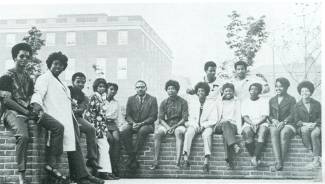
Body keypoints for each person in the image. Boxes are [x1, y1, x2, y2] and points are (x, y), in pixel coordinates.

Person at [31, 52, 104, 184]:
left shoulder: (62, 83)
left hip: (68, 118)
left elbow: (66, 100)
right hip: (56, 117)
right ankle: (80, 176)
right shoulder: (44, 78)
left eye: (61, 65)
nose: (58, 67)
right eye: (55, 64)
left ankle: (84, 176)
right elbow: (38, 93)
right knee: (69, 147)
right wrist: (36, 105)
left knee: (75, 146)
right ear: (50, 64)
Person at [0, 43, 35, 184]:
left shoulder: (29, 78)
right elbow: (7, 101)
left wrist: (33, 109)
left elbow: (32, 97)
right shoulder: (6, 76)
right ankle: (22, 176)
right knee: (23, 136)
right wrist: (25, 111)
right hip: (10, 112)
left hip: (25, 112)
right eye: (21, 56)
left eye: (27, 57)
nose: (24, 59)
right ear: (15, 57)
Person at [150, 80, 189, 170]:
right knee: (157, 134)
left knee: (179, 133)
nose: (170, 91)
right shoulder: (164, 102)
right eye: (169, 89)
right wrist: (168, 127)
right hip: (166, 125)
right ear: (166, 90)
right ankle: (155, 161)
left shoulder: (183, 102)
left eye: (173, 89)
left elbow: (184, 118)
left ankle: (178, 161)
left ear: (177, 90)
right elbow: (161, 118)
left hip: (179, 124)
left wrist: (174, 127)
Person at [120, 80, 158, 171]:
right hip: (133, 124)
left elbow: (153, 116)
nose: (140, 89)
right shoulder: (130, 99)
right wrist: (133, 123)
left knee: (142, 130)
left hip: (147, 125)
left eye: (142, 87)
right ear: (135, 89)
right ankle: (133, 157)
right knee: (125, 130)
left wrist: (142, 123)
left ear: (146, 88)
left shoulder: (152, 99)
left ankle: (131, 157)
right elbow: (128, 115)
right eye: (138, 87)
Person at [182, 82, 219, 173]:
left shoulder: (211, 104)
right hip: (195, 125)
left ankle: (206, 162)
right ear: (197, 92)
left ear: (206, 92)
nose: (200, 93)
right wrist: (195, 125)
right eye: (199, 91)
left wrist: (203, 126)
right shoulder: (193, 103)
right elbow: (190, 117)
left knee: (206, 135)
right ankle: (186, 159)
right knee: (188, 133)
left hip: (207, 126)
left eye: (203, 91)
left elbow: (214, 119)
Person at [68, 72, 101, 171]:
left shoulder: (84, 96)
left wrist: (75, 109)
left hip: (76, 118)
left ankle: (92, 159)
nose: (81, 84)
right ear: (73, 81)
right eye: (78, 82)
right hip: (65, 116)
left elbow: (81, 109)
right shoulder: (66, 90)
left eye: (83, 82)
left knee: (91, 129)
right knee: (75, 132)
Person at [84, 78, 116, 180]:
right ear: (96, 87)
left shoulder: (101, 98)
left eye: (104, 87)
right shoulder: (94, 97)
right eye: (100, 86)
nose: (102, 89)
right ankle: (104, 172)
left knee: (105, 147)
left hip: (101, 126)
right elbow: (90, 113)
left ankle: (105, 171)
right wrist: (94, 126)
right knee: (104, 147)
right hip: (96, 126)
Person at [268, 77, 296, 172]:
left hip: (288, 123)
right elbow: (270, 114)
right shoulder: (272, 100)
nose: (278, 88)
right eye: (276, 86)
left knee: (284, 133)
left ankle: (279, 163)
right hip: (275, 123)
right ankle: (279, 162)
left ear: (286, 87)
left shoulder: (291, 99)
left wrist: (284, 122)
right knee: (274, 131)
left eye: (281, 86)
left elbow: (293, 114)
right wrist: (273, 120)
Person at [214, 83, 242, 170]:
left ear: (233, 92)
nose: (228, 92)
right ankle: (234, 145)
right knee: (225, 124)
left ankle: (228, 160)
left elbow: (238, 116)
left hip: (232, 125)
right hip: (219, 125)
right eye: (226, 91)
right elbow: (215, 114)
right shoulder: (219, 101)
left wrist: (239, 130)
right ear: (223, 92)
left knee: (226, 134)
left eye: (230, 91)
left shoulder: (236, 102)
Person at [293, 81, 321, 169]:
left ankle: (316, 160)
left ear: (311, 92)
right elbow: (296, 120)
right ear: (300, 93)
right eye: (302, 91)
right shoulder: (296, 106)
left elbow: (321, 117)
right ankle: (311, 151)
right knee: (304, 130)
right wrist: (305, 124)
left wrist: (315, 123)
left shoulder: (317, 104)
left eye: (307, 91)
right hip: (303, 126)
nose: (304, 93)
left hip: (315, 125)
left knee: (315, 134)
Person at [241, 83, 269, 168]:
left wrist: (257, 124)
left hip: (261, 122)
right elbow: (245, 117)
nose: (253, 91)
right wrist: (252, 124)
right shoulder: (245, 102)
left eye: (255, 89)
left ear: (259, 91)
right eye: (251, 89)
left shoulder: (263, 101)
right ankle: (256, 158)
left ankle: (254, 157)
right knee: (247, 132)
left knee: (263, 132)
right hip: (249, 122)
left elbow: (265, 116)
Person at [103, 82, 122, 178]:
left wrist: (120, 127)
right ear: (106, 89)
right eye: (111, 89)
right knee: (109, 140)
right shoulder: (101, 100)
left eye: (115, 90)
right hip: (103, 123)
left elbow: (119, 117)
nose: (113, 91)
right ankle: (107, 169)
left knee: (117, 141)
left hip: (113, 124)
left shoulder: (116, 102)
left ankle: (114, 168)